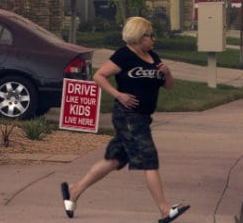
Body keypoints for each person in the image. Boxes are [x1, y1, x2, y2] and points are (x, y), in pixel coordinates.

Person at [61, 17, 189, 223]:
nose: (154, 39)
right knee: (149, 160)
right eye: (150, 35)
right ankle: (165, 209)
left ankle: (74, 191)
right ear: (138, 36)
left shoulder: (153, 57)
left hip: (143, 117)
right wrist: (118, 95)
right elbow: (99, 76)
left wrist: (167, 74)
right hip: (128, 116)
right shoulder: (124, 55)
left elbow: (169, 86)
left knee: (113, 160)